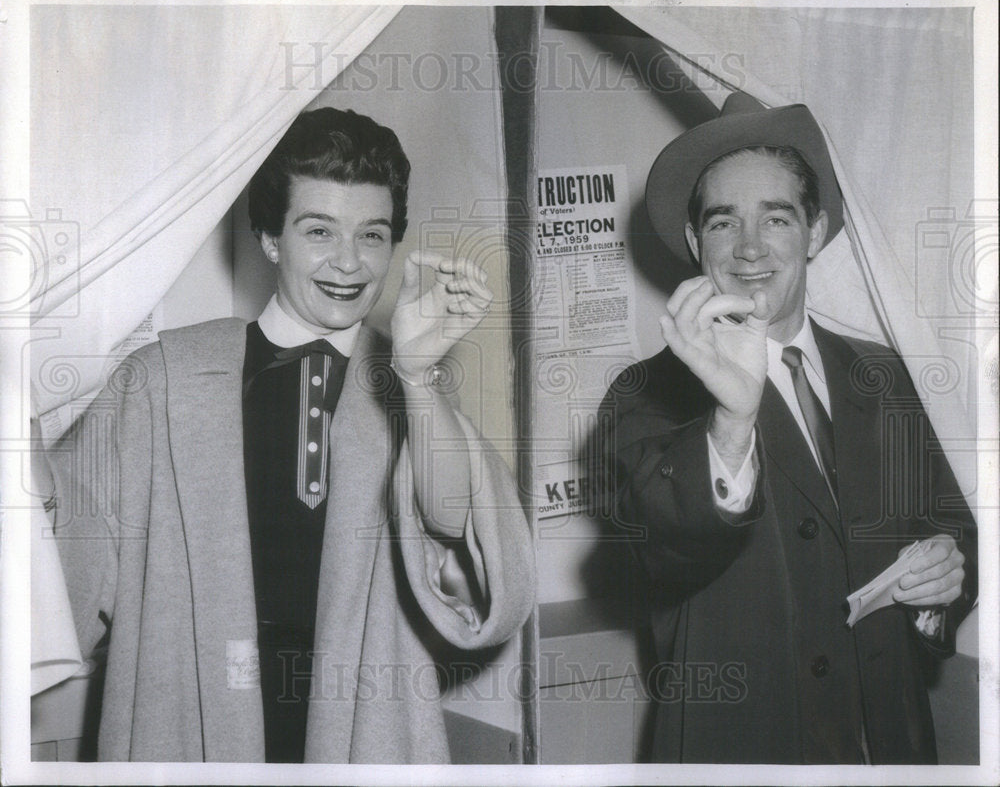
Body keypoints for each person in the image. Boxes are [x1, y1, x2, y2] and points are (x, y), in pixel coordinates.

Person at [44, 107, 534, 763]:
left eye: (372, 235)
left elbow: (458, 528)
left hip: (363, 729)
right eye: (319, 231)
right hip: (190, 718)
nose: (348, 263)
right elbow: (64, 560)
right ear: (272, 237)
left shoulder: (407, 386)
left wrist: (417, 378)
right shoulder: (161, 380)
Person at [600, 92, 977, 764]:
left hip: (889, 751)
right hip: (741, 752)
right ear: (694, 242)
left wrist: (943, 584)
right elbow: (661, 542)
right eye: (722, 223)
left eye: (775, 218)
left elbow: (955, 533)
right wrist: (732, 420)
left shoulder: (888, 377)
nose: (749, 248)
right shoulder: (646, 394)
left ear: (816, 230)